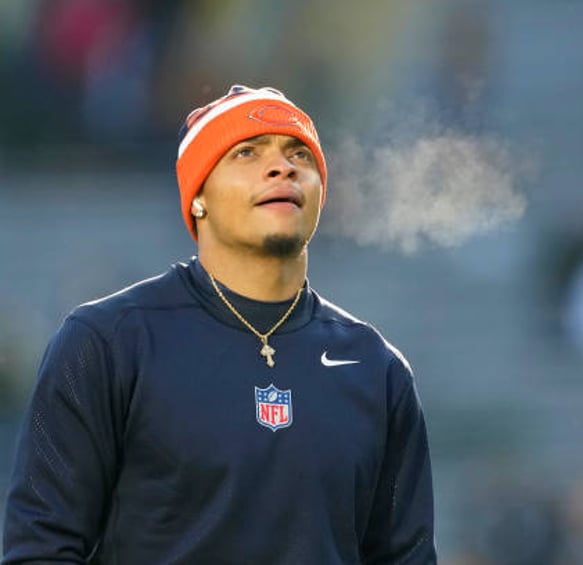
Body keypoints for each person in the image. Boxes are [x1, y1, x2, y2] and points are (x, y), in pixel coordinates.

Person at [2, 84, 437, 564]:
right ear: (197, 198)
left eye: (300, 155)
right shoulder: (107, 342)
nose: (283, 167)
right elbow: (40, 548)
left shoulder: (377, 369)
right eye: (247, 152)